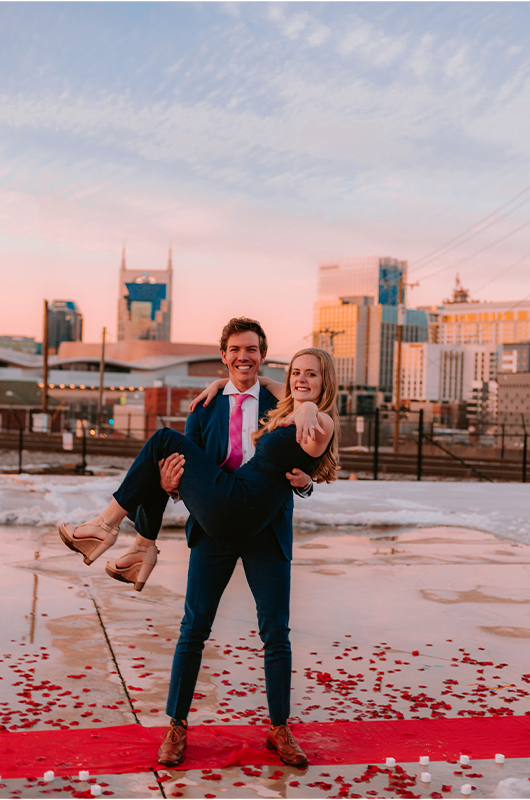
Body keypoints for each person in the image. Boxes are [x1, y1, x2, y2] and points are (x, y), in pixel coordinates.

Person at [59, 319, 338, 768]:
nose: (243, 357)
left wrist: (306, 480)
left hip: (266, 528)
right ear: (224, 355)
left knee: (276, 632)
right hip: (215, 525)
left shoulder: (282, 399)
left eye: (252, 349)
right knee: (194, 628)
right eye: (234, 350)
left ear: (264, 356)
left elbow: (309, 428)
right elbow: (183, 473)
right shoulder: (204, 408)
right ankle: (177, 726)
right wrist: (170, 486)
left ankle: (280, 728)